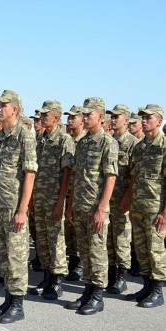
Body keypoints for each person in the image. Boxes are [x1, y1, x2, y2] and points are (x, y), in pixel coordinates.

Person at [0, 90, 37, 323]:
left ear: (15, 109)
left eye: (3, 105)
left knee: (16, 256)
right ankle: (8, 299)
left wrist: (22, 210)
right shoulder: (0, 136)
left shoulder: (24, 136)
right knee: (5, 256)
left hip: (14, 207)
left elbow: (29, 175)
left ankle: (18, 305)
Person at [65, 97, 118, 315]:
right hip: (80, 206)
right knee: (85, 252)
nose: (85, 118)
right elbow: (76, 176)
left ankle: (97, 296)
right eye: (83, 114)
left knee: (97, 253)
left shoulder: (108, 142)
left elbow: (110, 177)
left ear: (100, 116)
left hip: (96, 208)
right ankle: (87, 291)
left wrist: (101, 209)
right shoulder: (83, 142)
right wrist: (70, 206)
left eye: (89, 114)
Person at [29, 100, 74, 300]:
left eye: (46, 114)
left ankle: (57, 282)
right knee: (42, 241)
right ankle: (46, 278)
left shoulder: (64, 140)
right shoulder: (40, 140)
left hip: (54, 199)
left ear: (56, 117)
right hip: (38, 198)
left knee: (56, 241)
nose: (42, 117)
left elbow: (67, 174)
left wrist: (60, 202)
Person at [122, 104, 165, 308]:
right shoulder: (139, 147)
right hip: (138, 206)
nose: (144, 120)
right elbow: (133, 176)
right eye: (143, 117)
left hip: (156, 208)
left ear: (159, 121)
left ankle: (157, 292)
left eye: (149, 117)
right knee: (141, 248)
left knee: (155, 250)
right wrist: (129, 201)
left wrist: (165, 212)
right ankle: (146, 286)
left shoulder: (164, 146)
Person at [105, 104, 138, 294]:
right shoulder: (109, 141)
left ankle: (121, 277)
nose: (114, 119)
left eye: (117, 116)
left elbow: (134, 173)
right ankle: (110, 274)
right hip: (108, 199)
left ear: (126, 120)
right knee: (108, 238)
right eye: (112, 116)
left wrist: (128, 196)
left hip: (123, 200)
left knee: (122, 238)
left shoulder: (133, 143)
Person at [64, 105, 86, 281]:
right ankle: (72, 261)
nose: (70, 120)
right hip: (68, 193)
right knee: (69, 232)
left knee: (79, 233)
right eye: (68, 117)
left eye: (73, 117)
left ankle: (79, 265)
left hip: (81, 195)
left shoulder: (84, 141)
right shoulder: (70, 140)